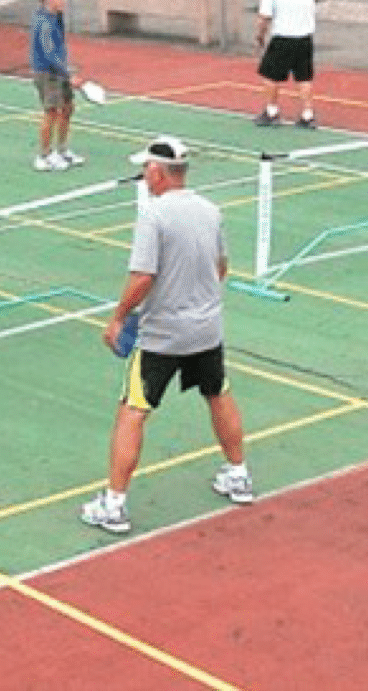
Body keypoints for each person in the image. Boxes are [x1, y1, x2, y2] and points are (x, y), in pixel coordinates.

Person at [80, 136, 253, 535]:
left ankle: (114, 504)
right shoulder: (211, 211)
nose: (144, 175)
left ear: (157, 172)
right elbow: (221, 266)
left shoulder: (154, 216)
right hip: (207, 330)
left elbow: (143, 277)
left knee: (133, 410)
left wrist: (119, 318)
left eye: (146, 169)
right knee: (218, 392)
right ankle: (238, 475)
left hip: (163, 336)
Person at [252, 0, 318, 129]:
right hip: (305, 37)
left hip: (283, 36)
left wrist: (260, 35)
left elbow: (265, 15)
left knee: (269, 74)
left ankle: (272, 111)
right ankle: (307, 113)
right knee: (304, 77)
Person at [28, 0, 84, 172]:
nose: (62, 1)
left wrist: (67, 69)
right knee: (51, 113)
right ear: (49, 0)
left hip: (60, 70)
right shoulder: (43, 23)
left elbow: (59, 47)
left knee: (68, 108)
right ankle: (43, 156)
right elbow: (49, 53)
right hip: (46, 73)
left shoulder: (57, 17)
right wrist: (68, 74)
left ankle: (62, 151)